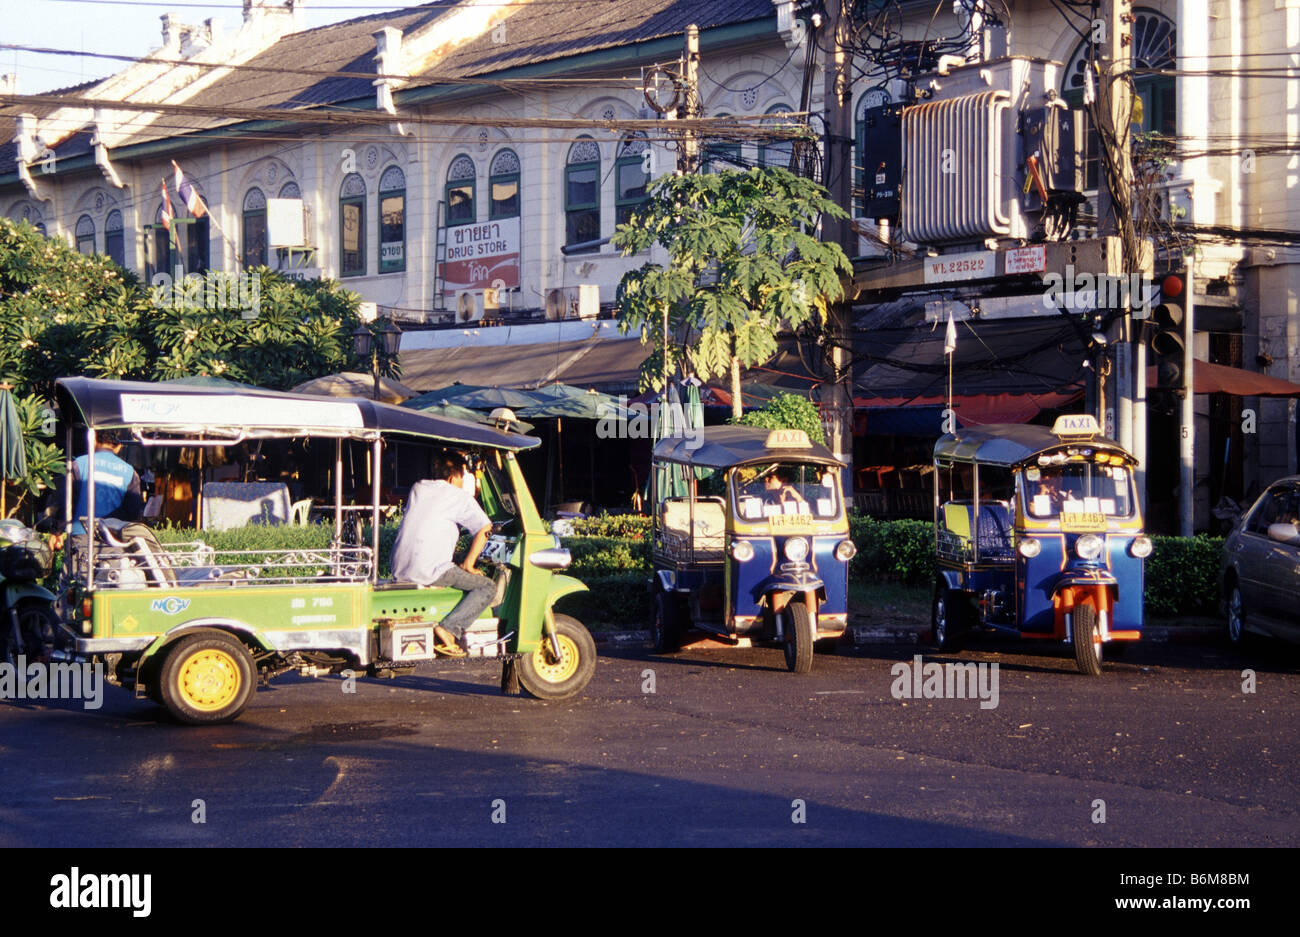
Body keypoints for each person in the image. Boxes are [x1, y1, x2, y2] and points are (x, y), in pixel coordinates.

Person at [390, 451, 495, 657]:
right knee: (487, 587)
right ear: (454, 476)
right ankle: (450, 628)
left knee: (449, 567)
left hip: (400, 567)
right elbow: (485, 529)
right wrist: (469, 564)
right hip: (428, 570)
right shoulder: (460, 497)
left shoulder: (418, 488)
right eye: (462, 477)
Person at [50, 430, 144, 549]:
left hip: (82, 536)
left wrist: (56, 531)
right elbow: (133, 512)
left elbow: (66, 502)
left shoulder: (79, 464)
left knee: (81, 567)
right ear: (118, 447)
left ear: (93, 441)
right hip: (114, 539)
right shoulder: (130, 472)